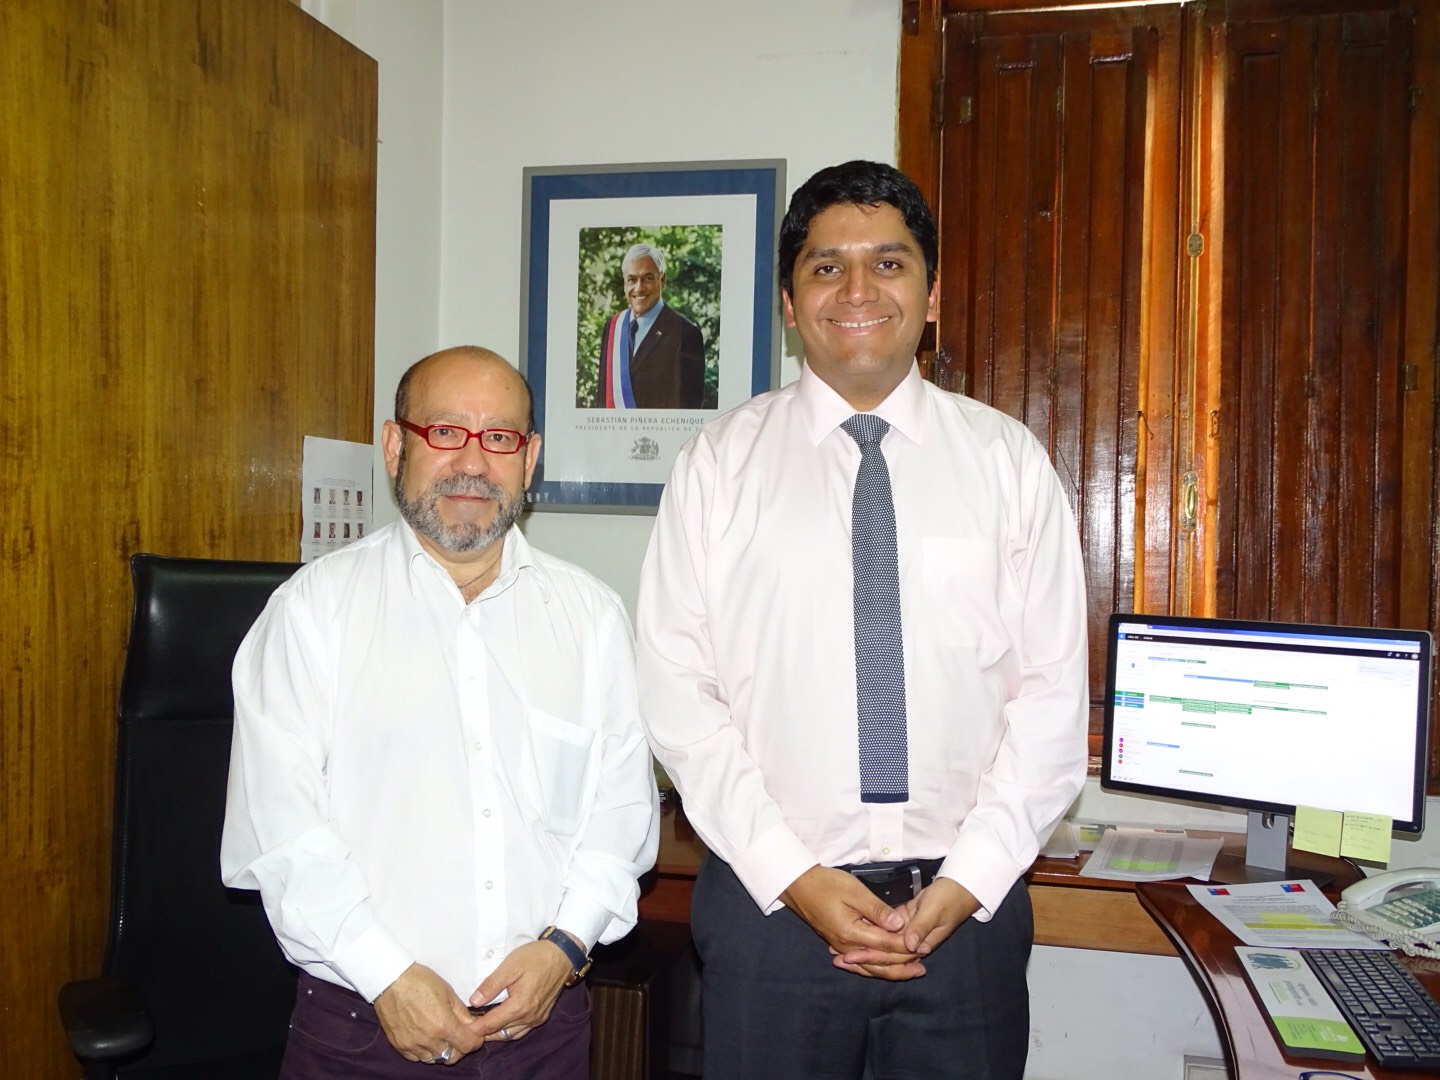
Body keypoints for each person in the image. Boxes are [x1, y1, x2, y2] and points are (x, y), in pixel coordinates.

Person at [635, 161, 1089, 1079]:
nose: (857, 290)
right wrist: (795, 876)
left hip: (966, 920)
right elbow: (676, 692)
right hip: (770, 913)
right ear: (790, 304)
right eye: (825, 267)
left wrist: (969, 879)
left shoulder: (1008, 463)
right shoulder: (717, 465)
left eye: (888, 263)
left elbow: (1051, 697)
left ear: (931, 294)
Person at [222, 345, 659, 1078]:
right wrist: (387, 975)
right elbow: (281, 833)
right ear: (396, 446)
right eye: (446, 432)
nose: (473, 463)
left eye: (500, 438)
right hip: (363, 1031)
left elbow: (619, 814)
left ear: (530, 459)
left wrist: (565, 946)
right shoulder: (311, 614)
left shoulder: (591, 618)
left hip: (543, 1030)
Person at [598, 243, 705, 409]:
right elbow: (602, 399)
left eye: (647, 278)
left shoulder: (686, 334)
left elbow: (688, 411)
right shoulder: (612, 327)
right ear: (625, 284)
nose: (639, 288)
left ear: (662, 280)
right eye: (632, 279)